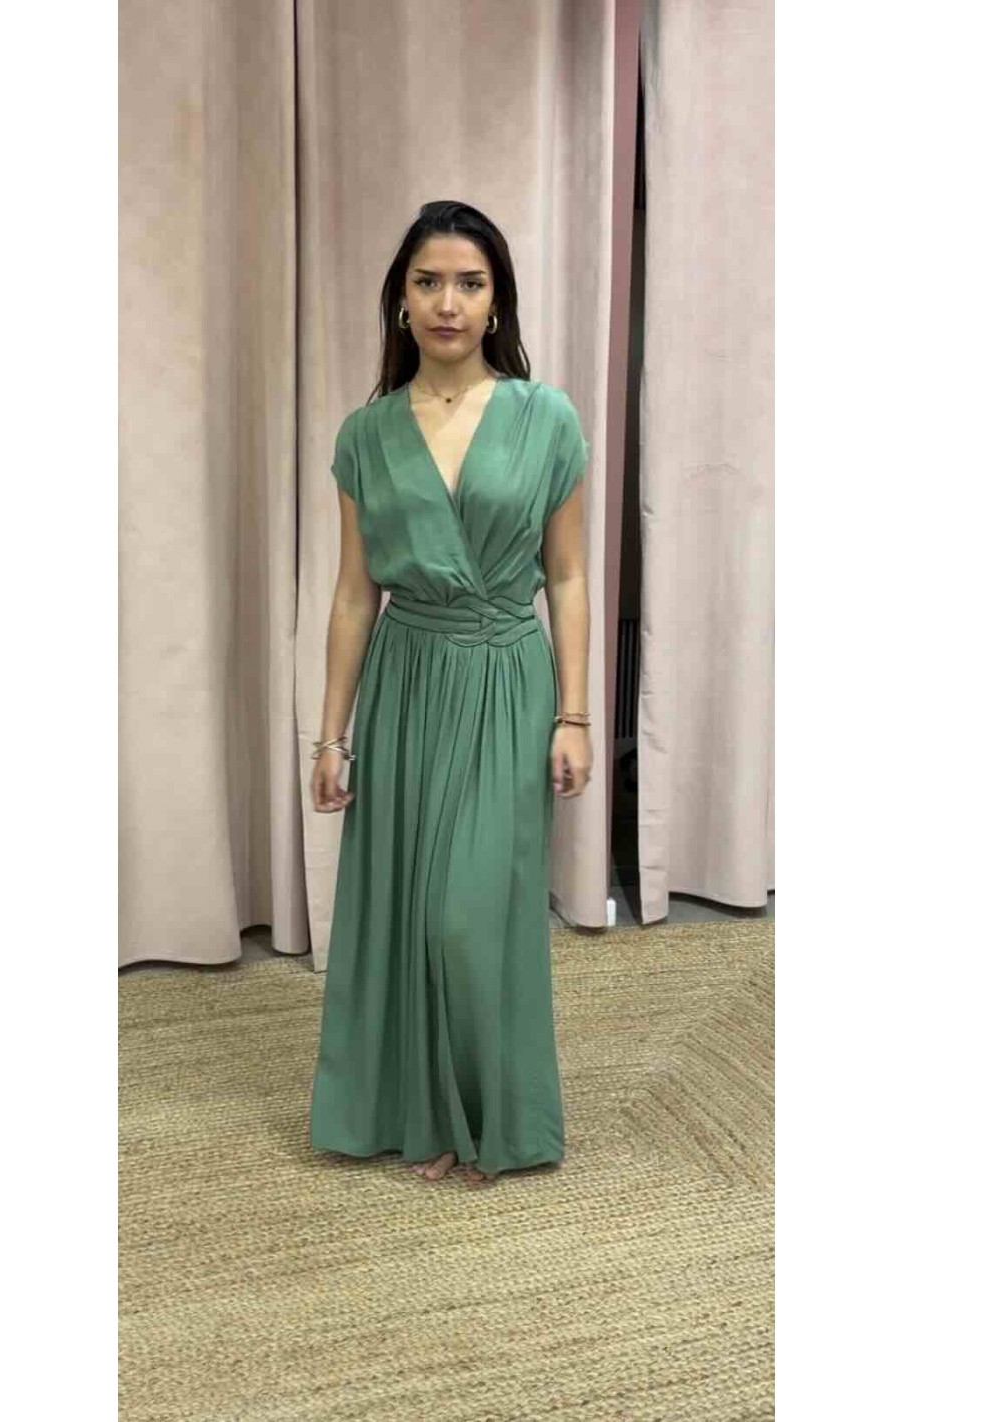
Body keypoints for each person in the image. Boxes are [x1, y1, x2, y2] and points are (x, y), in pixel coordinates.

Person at [308, 200, 591, 1188]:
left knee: (471, 915)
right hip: (407, 681)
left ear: (496, 301)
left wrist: (573, 713)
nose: (447, 302)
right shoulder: (365, 434)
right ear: (400, 300)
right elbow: (354, 594)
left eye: (470, 283)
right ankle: (424, 1112)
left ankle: (491, 1113)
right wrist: (330, 736)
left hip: (506, 677)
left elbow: (566, 577)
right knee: (406, 907)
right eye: (427, 282)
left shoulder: (545, 417)